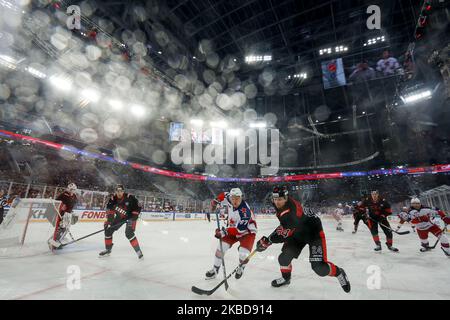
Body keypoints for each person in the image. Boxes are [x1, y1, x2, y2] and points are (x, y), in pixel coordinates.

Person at [255, 186, 350, 292]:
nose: (277, 202)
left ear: (286, 198)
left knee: (319, 269)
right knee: (283, 258)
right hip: (297, 232)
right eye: (275, 199)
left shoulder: (292, 211)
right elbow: (284, 225)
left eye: (280, 199)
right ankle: (286, 279)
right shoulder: (283, 205)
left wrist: (268, 241)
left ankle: (339, 272)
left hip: (313, 233)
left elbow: (285, 231)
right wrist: (268, 240)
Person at [205, 188, 257, 280]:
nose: (235, 201)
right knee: (220, 248)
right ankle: (215, 270)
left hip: (247, 232)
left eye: (237, 198)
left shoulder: (244, 212)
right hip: (232, 229)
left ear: (241, 198)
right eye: (233, 198)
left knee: (243, 254)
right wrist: (216, 200)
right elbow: (224, 194)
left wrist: (222, 232)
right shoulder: (229, 198)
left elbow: (240, 230)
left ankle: (241, 267)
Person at [99, 184, 143, 259]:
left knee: (129, 233)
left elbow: (138, 207)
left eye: (121, 191)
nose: (119, 193)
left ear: (123, 191)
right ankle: (108, 250)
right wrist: (109, 221)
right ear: (115, 191)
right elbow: (110, 210)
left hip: (131, 217)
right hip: (120, 217)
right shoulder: (113, 199)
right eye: (117, 191)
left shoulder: (130, 197)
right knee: (108, 230)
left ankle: (138, 252)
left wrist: (133, 218)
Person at [48, 183, 78, 250]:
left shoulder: (74, 196)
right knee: (61, 228)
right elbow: (56, 203)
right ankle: (53, 240)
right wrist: (61, 206)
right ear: (68, 189)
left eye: (73, 189)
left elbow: (74, 203)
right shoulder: (64, 195)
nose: (72, 191)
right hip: (62, 213)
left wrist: (71, 210)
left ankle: (57, 240)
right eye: (71, 189)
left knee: (65, 229)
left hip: (68, 214)